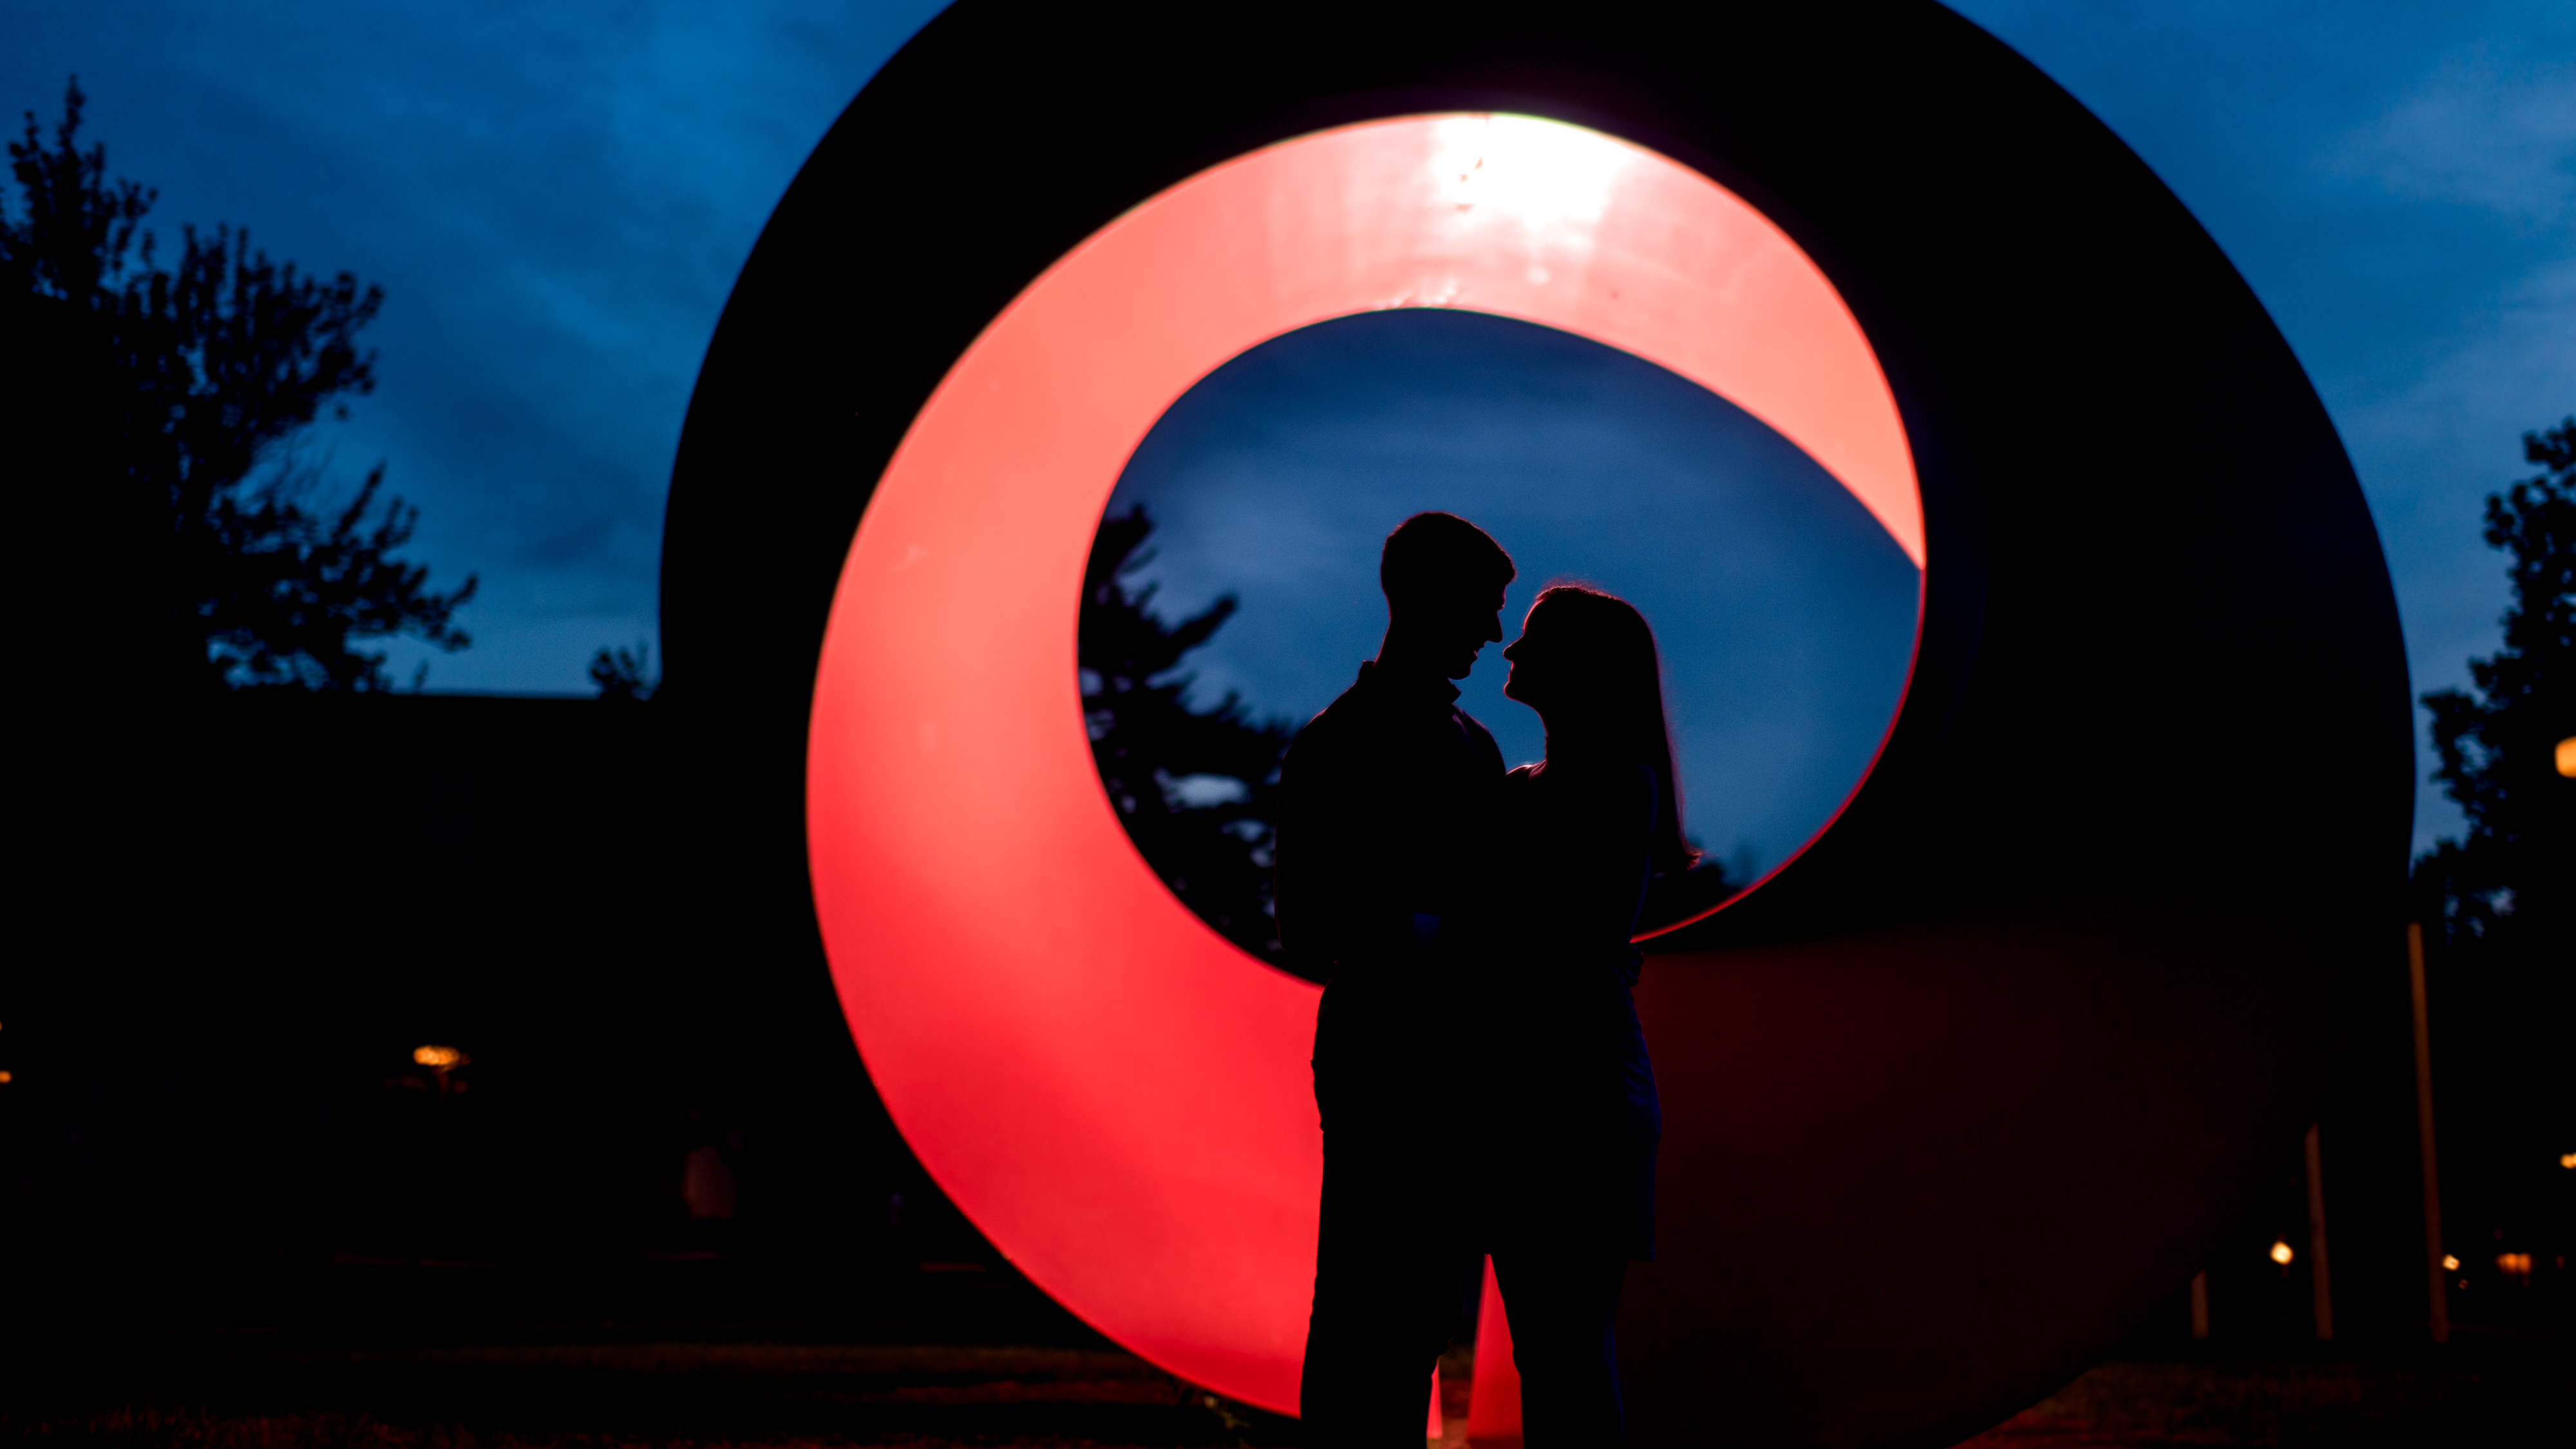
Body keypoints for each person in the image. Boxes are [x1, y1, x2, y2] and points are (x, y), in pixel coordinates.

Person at [1277, 511, 1517, 1447]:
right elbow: (1308, 922)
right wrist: (1453, 939)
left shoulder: (1471, 742)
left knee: (1411, 1309)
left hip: (1447, 1062)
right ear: (1424, 599)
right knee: (1365, 1300)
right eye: (1482, 608)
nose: (1493, 634)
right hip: (1384, 1057)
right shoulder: (1337, 744)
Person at [1478, 585, 1692, 1447]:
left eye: (1530, 640)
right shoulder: (1524, 789)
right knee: (1553, 1345)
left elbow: (1559, 939)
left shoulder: (1613, 785)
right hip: (1541, 1088)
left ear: (1579, 668)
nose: (1509, 653)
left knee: (1563, 1342)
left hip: (1579, 1091)